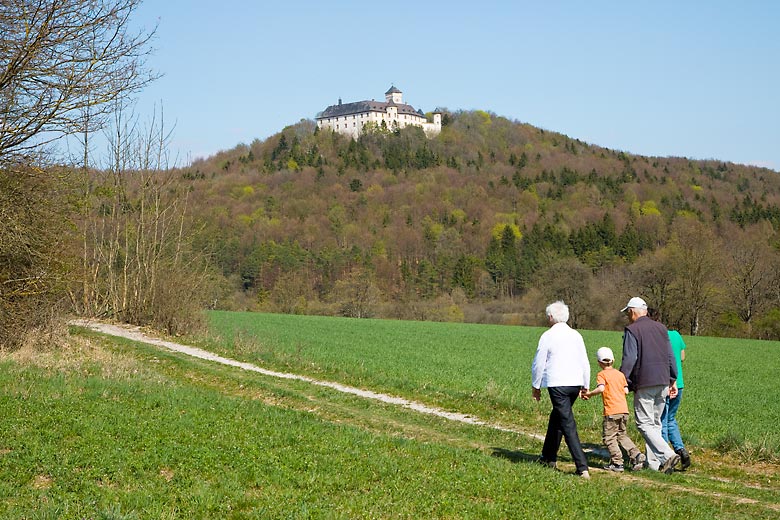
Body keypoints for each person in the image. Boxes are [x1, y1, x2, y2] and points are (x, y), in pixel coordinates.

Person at [620, 297, 680, 474]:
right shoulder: (661, 328)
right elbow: (670, 355)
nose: (627, 316)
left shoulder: (632, 330)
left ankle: (668, 455)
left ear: (632, 311)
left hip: (645, 381)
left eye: (627, 313)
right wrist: (672, 378)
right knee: (655, 423)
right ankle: (654, 465)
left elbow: (630, 358)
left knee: (643, 424)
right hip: (662, 380)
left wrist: (623, 380)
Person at [531, 300, 591, 479]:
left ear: (551, 317)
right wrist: (585, 385)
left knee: (567, 423)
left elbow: (539, 362)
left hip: (557, 383)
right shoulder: (576, 335)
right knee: (557, 417)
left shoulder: (548, 336)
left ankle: (582, 467)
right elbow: (584, 360)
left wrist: (536, 385)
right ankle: (548, 457)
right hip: (575, 383)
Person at [582, 346, 646, 472]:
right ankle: (637, 455)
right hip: (624, 410)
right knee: (622, 435)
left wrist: (589, 394)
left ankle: (617, 462)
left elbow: (601, 388)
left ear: (599, 362)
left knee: (609, 437)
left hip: (611, 411)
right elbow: (626, 391)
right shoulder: (620, 374)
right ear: (613, 361)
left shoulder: (602, 374)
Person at [648, 308, 691, 470]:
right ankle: (680, 449)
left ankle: (665, 458)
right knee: (671, 419)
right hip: (679, 384)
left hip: (664, 384)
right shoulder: (675, 334)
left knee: (661, 421)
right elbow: (682, 357)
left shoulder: (656, 337)